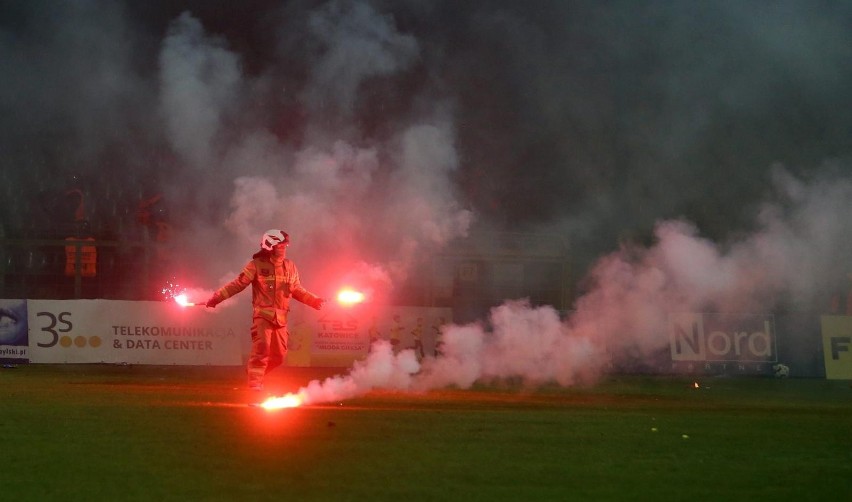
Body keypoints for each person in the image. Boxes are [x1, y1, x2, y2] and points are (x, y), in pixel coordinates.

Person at [205, 229, 325, 391]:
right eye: (280, 245)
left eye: (285, 245)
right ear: (270, 246)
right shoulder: (256, 265)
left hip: (281, 319)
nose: (284, 248)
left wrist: (313, 300)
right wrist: (217, 298)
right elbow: (237, 284)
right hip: (262, 316)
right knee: (262, 348)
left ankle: (254, 374)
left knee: (279, 356)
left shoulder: (290, 266)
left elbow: (296, 289)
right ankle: (254, 385)